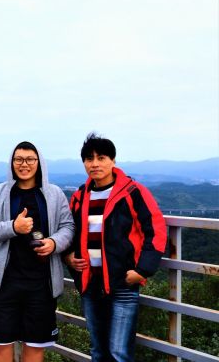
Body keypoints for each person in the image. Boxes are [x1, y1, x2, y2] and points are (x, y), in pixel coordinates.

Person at [64, 133, 167, 362]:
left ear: (113, 161)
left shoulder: (132, 192)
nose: (95, 164)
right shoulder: (80, 196)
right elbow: (70, 231)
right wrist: (68, 256)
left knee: (119, 353)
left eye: (101, 158)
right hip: (90, 283)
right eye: (89, 159)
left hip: (122, 282)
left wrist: (142, 271)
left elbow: (156, 229)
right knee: (98, 351)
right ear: (84, 163)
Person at [0, 141, 75, 362]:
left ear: (39, 163)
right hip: (3, 284)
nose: (24, 164)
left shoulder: (55, 194)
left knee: (35, 347)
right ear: (12, 163)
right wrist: (13, 227)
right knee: (1, 346)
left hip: (42, 284)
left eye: (30, 159)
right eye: (18, 159)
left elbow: (68, 227)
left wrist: (54, 243)